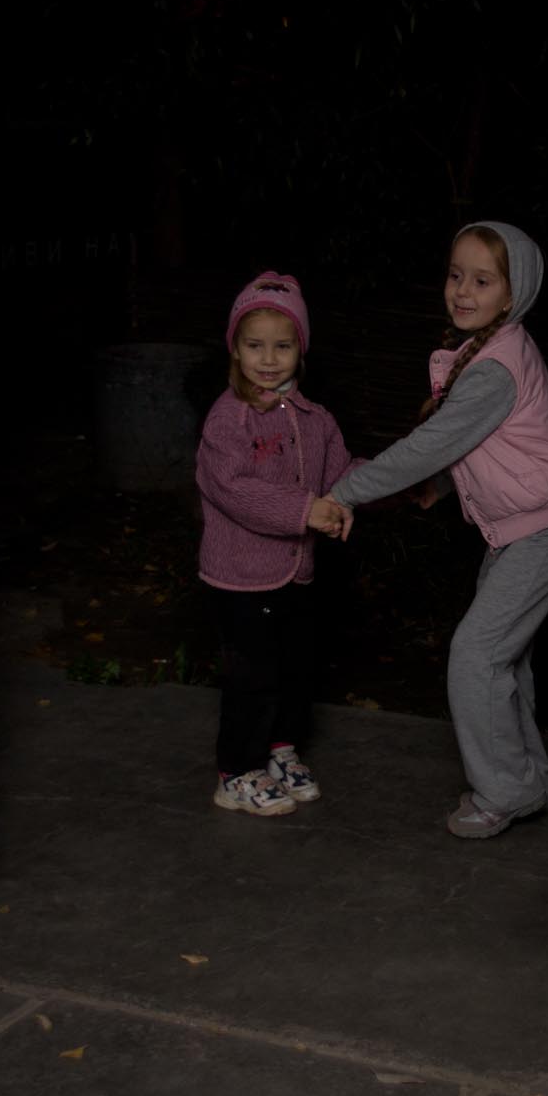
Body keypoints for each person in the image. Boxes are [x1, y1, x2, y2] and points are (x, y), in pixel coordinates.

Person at [326, 222, 548, 838]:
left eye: (482, 281)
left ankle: (505, 790)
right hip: (525, 522)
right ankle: (531, 779)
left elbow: (428, 444)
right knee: (506, 659)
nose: (463, 291)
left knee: (477, 654)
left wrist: (343, 492)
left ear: (513, 294)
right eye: (455, 276)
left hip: (547, 524)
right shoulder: (488, 348)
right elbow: (502, 443)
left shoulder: (494, 367)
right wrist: (443, 487)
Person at [196, 272, 355, 818]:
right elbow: (231, 488)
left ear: (300, 350)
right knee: (251, 676)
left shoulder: (315, 419)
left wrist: (398, 483)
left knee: (294, 668)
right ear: (235, 349)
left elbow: (342, 475)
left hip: (296, 572)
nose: (268, 359)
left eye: (282, 346)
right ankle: (237, 772)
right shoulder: (229, 418)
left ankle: (279, 749)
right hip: (240, 579)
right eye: (254, 345)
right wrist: (304, 511)